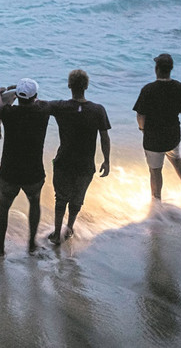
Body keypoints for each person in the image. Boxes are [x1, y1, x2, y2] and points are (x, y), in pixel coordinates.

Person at [47, 69, 111, 245]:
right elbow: (105, 138)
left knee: (60, 199)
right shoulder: (98, 110)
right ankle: (69, 229)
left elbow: (37, 105)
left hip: (64, 162)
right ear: (87, 86)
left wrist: (16, 93)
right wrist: (106, 160)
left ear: (69, 85)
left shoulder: (60, 107)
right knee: (77, 200)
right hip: (85, 165)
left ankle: (56, 233)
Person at [0, 78, 50, 256]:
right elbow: (39, 103)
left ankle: (0, 248)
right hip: (34, 171)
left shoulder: (9, 112)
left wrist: (0, 93)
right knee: (34, 203)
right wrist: (19, 92)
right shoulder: (43, 111)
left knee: (3, 207)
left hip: (10, 171)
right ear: (36, 96)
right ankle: (31, 244)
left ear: (17, 96)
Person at [133, 53, 181, 204]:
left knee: (155, 170)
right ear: (171, 69)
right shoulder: (180, 87)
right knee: (176, 159)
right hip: (173, 134)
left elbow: (140, 115)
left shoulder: (148, 89)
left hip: (153, 137)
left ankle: (157, 202)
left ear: (156, 69)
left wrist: (142, 129)